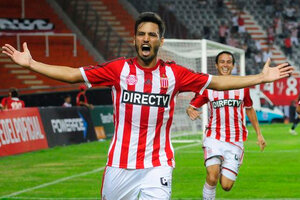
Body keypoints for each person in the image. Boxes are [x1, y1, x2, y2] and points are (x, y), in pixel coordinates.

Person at [1, 12, 292, 200]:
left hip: (158, 164)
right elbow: (73, 73)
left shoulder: (174, 74)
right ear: (134, 39)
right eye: (141, 33)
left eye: (152, 34)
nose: (146, 38)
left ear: (160, 41)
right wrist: (33, 64)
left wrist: (259, 77)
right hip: (119, 164)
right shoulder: (118, 70)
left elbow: (217, 82)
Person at [186, 51, 266, 200]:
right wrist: (190, 110)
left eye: (228, 62)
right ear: (216, 65)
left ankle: (223, 163)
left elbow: (249, 109)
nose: (225, 65)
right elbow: (192, 106)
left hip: (235, 140)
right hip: (214, 138)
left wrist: (259, 134)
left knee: (226, 186)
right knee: (212, 176)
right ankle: (216, 165)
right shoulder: (209, 87)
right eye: (222, 62)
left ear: (233, 65)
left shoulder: (243, 86)